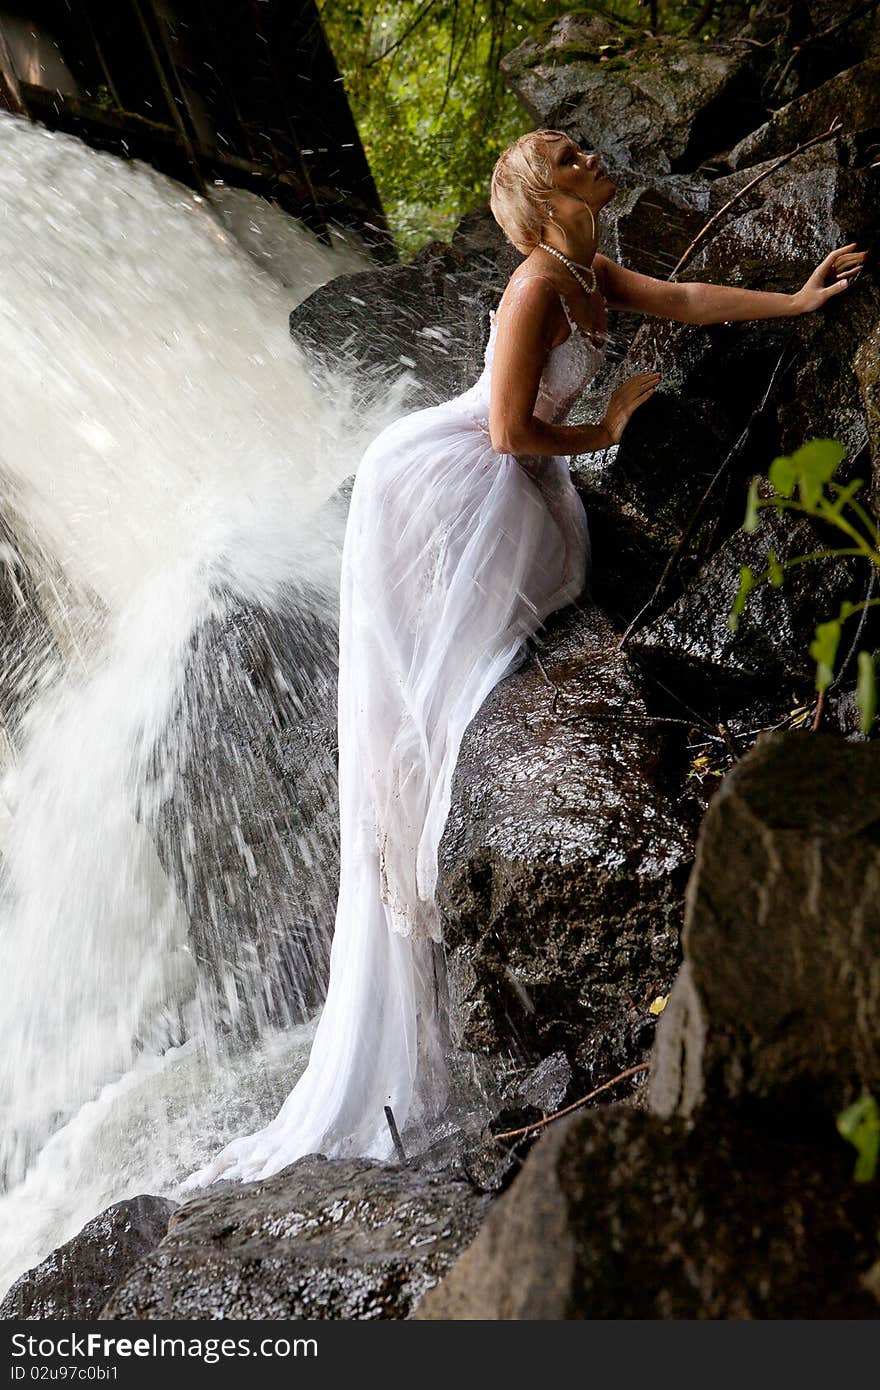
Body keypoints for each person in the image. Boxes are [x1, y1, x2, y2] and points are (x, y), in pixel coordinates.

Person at [181, 129, 865, 1189]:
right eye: (568, 149)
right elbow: (506, 431)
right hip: (443, 477)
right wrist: (605, 421)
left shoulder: (588, 271)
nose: (588, 150)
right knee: (458, 665)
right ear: (543, 194)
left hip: (509, 470)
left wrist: (799, 304)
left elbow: (680, 303)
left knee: (534, 580)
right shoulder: (536, 287)